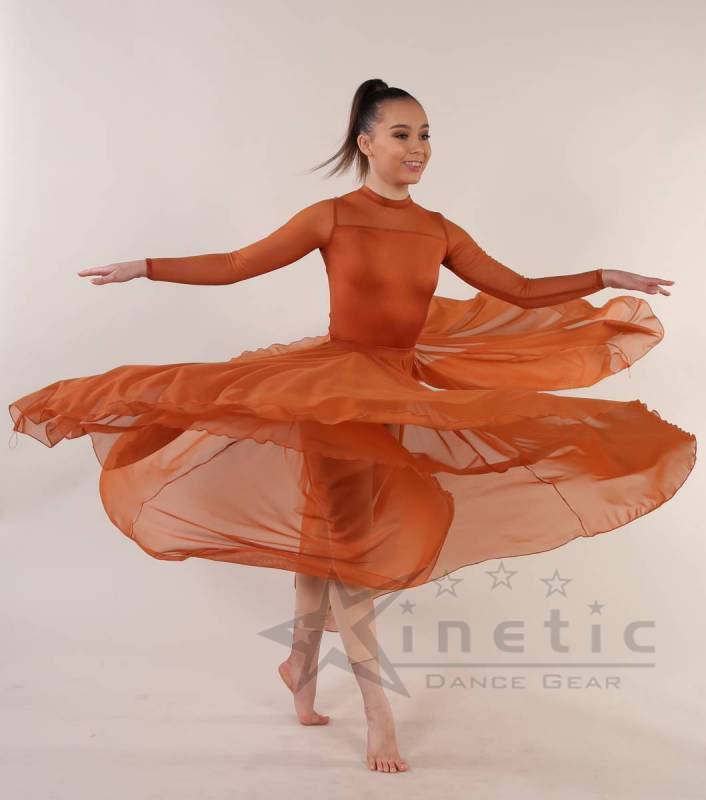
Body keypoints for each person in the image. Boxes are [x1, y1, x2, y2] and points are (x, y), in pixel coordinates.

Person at [8, 79, 696, 774]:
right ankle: (377, 712)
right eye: (401, 134)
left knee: (329, 541)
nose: (417, 147)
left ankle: (299, 665)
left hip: (393, 394)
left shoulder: (439, 230)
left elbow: (516, 289)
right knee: (352, 549)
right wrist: (145, 267)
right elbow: (239, 264)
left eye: (424, 135)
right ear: (366, 142)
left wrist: (605, 275)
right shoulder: (332, 217)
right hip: (333, 395)